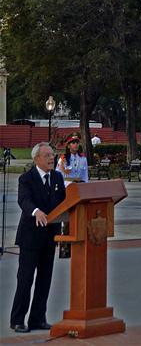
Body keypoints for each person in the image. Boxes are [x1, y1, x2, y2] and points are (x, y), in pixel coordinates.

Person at [10, 142, 66, 333]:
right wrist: (36, 211)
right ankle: (17, 320)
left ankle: (38, 319)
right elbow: (23, 200)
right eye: (47, 155)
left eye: (52, 155)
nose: (52, 158)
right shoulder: (26, 178)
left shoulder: (57, 177)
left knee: (45, 279)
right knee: (25, 279)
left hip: (50, 237)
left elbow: (64, 202)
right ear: (36, 159)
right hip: (30, 237)